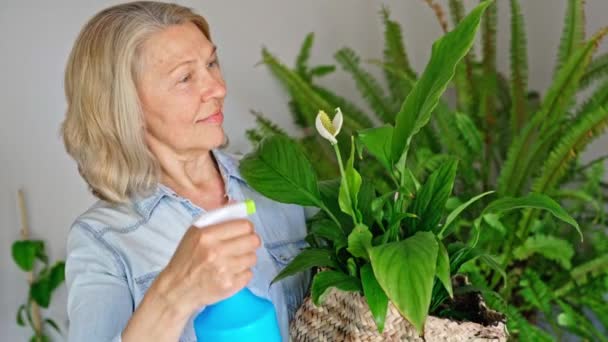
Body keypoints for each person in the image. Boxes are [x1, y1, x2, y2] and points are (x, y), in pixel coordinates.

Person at [61, 2, 310, 341]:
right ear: (127, 107)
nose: (218, 88)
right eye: (185, 77)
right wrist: (176, 293)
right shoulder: (103, 240)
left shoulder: (276, 180)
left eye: (211, 63)